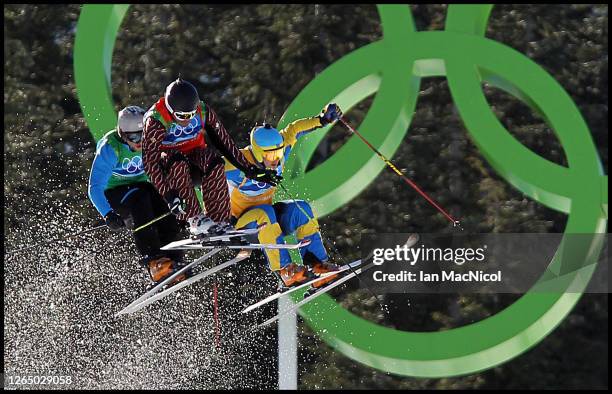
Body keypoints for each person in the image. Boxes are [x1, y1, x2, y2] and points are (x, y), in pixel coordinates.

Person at [224, 103, 344, 288]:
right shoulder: (235, 163)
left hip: (269, 219)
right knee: (264, 212)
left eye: (278, 153)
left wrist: (322, 120)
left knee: (300, 209)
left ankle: (318, 265)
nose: (275, 160)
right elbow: (206, 178)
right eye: (270, 156)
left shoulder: (280, 153)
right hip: (242, 225)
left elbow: (294, 130)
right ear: (257, 152)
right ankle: (286, 271)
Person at [142, 78, 278, 236]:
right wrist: (169, 195)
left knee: (214, 162)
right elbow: (150, 163)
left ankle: (219, 221)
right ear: (170, 109)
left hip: (193, 159)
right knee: (176, 160)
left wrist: (250, 169)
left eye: (191, 114)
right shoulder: (156, 120)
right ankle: (194, 219)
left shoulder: (203, 111)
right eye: (182, 116)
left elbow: (225, 142)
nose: (187, 120)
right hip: (167, 169)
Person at [88, 106, 186, 285]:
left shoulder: (153, 141)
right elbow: (94, 187)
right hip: (114, 193)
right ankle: (154, 260)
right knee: (140, 197)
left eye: (144, 135)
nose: (140, 142)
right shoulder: (111, 148)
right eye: (134, 137)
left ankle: (175, 259)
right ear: (123, 134)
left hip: (142, 187)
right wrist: (107, 214)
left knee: (161, 201)